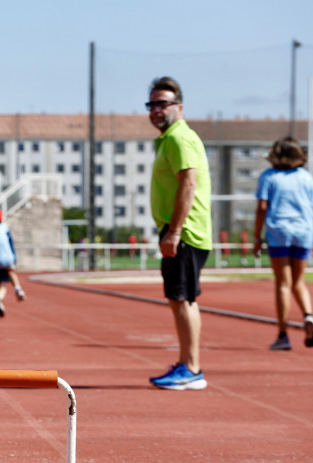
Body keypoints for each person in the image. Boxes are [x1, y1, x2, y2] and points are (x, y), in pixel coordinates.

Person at [146, 76, 212, 391]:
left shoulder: (179, 139)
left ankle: (192, 368)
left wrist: (174, 231)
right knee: (181, 298)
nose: (157, 110)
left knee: (182, 298)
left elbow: (189, 182)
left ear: (179, 107)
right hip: (181, 230)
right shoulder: (171, 139)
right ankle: (188, 364)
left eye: (163, 104)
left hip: (183, 232)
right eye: (152, 105)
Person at [253, 137, 313, 350]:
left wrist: (256, 237)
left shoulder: (269, 177)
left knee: (283, 283)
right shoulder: (306, 177)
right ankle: (308, 315)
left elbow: (262, 208)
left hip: (279, 231)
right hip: (304, 231)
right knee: (299, 281)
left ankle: (283, 334)